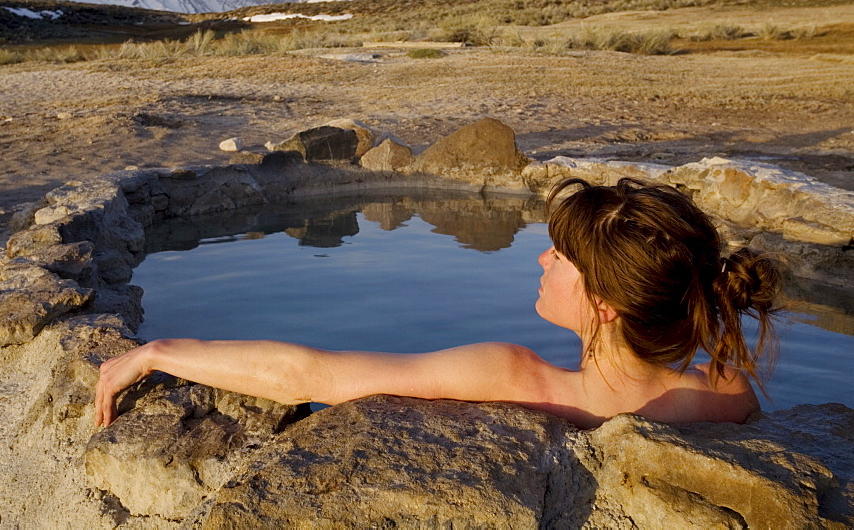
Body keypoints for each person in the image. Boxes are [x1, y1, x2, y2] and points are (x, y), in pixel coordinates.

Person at [94, 177, 781, 430]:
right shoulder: (727, 397)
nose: (543, 258)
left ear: (604, 303)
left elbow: (313, 376)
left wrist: (158, 352)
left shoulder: (519, 381)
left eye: (562, 256)